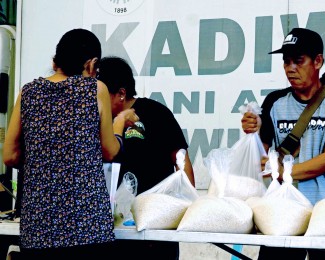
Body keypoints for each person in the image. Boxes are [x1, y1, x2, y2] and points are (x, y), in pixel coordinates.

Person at [3, 28, 138, 260]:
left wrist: (46, 154)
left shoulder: (28, 93)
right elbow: (109, 151)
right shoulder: (95, 90)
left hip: (38, 231)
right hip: (87, 230)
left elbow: (10, 156)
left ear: (56, 61)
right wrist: (119, 124)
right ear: (92, 64)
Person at [241, 28, 325, 260]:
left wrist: (283, 172)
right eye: (286, 62)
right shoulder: (274, 101)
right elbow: (261, 157)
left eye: (298, 61)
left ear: (318, 61)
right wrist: (250, 132)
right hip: (283, 211)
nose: (290, 68)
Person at [97, 56, 195, 260]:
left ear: (121, 93)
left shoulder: (156, 113)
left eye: (103, 97)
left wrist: (188, 206)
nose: (98, 104)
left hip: (154, 232)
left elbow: (181, 159)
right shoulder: (97, 122)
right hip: (113, 233)